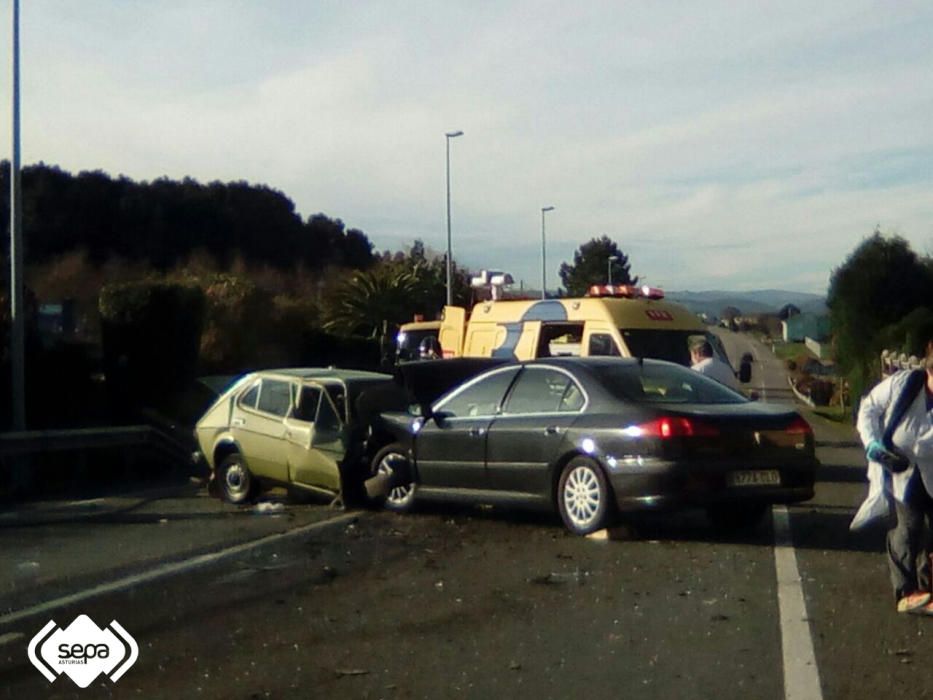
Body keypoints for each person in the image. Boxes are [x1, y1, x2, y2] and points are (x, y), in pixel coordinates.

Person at [857, 337, 933, 614]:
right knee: (909, 528)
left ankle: (927, 589)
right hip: (902, 469)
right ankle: (906, 591)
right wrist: (873, 444)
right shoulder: (903, 384)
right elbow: (868, 407)